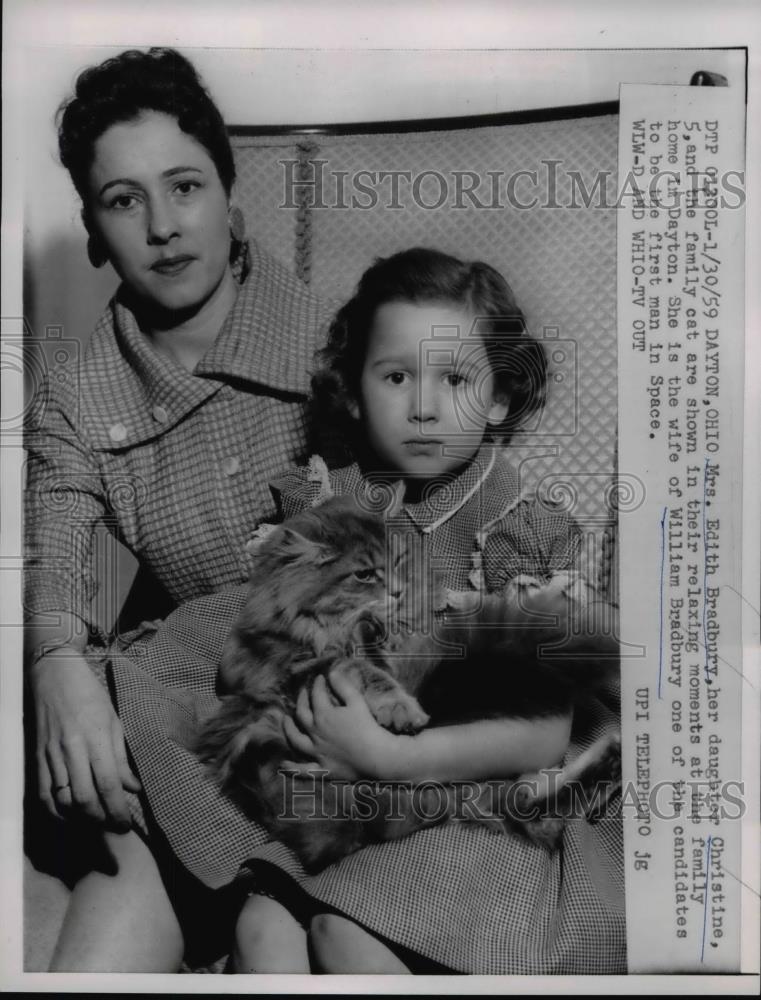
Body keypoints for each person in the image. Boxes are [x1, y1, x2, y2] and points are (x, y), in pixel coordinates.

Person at [102, 249, 625, 973]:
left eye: (454, 380)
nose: (421, 405)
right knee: (261, 926)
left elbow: (541, 733)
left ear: (500, 397)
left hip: (462, 787)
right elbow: (255, 641)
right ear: (352, 393)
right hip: (331, 774)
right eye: (395, 376)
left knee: (343, 935)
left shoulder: (518, 530)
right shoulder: (334, 502)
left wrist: (388, 756)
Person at [24, 47, 330, 971]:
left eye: (184, 186)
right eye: (124, 200)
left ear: (229, 193)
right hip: (182, 731)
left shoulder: (347, 344)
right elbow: (55, 540)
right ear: (92, 228)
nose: (163, 226)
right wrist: (55, 665)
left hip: (329, 720)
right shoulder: (76, 395)